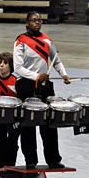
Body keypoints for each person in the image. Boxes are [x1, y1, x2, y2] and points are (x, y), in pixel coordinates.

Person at [14, 11, 70, 169]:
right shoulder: (21, 41)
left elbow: (56, 60)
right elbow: (18, 68)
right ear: (27, 23)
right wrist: (36, 76)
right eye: (33, 20)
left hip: (45, 85)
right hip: (26, 84)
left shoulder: (47, 40)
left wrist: (64, 74)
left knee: (49, 124)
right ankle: (30, 160)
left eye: (39, 20)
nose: (37, 23)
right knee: (28, 125)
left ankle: (53, 159)